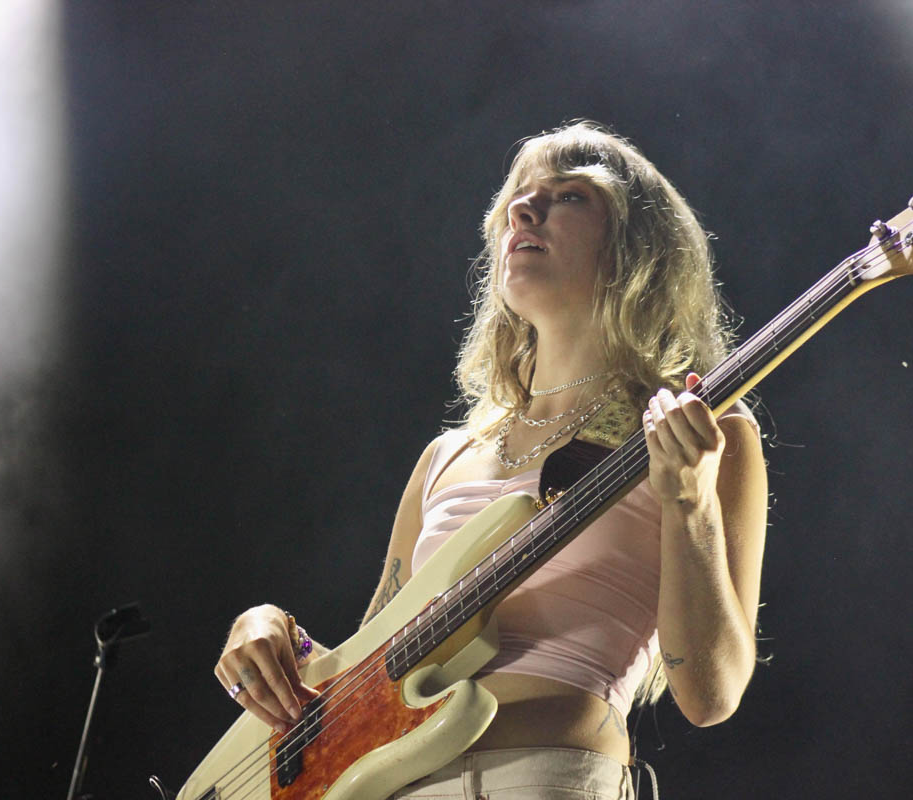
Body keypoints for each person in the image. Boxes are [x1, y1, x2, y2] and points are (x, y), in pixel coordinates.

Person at [214, 120, 768, 799]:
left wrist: (690, 502)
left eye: (569, 195)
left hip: (544, 777)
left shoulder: (702, 430)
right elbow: (368, 681)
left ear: (637, 249)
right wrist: (274, 634)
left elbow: (711, 695)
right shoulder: (445, 458)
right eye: (518, 197)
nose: (525, 209)